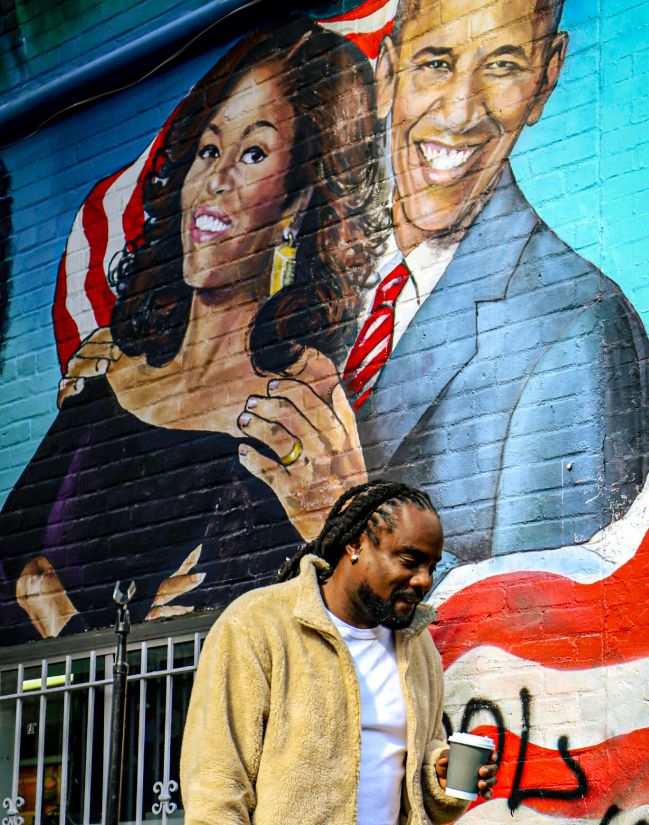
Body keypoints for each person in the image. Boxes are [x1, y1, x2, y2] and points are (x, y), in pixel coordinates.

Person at [0, 19, 382, 643]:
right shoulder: (108, 375)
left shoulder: (296, 414)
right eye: (209, 149)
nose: (215, 179)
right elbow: (14, 556)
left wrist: (59, 611)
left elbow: (243, 626)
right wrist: (55, 611)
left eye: (254, 154)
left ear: (298, 202)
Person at [342, 0, 649, 564]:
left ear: (548, 75)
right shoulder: (307, 274)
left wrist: (330, 511)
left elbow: (540, 622)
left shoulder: (578, 331)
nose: (461, 113)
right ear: (386, 73)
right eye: (436, 63)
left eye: (503, 66)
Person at [180, 480, 497, 825]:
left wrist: (439, 781)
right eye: (409, 560)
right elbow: (216, 781)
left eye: (432, 566)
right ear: (355, 546)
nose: (423, 580)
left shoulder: (414, 646)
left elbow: (409, 774)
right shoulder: (257, 626)